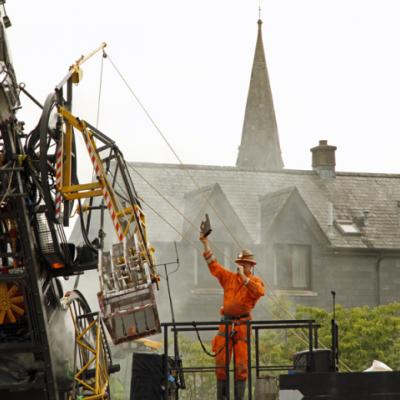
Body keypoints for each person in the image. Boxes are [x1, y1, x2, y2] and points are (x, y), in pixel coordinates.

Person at [200, 233, 265, 400]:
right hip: (226, 324)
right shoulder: (229, 278)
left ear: (251, 266)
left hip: (243, 326)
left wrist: (244, 279)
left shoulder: (255, 282)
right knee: (221, 363)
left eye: (246, 264)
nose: (243, 266)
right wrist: (205, 243)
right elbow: (213, 266)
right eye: (241, 264)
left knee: (241, 366)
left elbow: (259, 292)